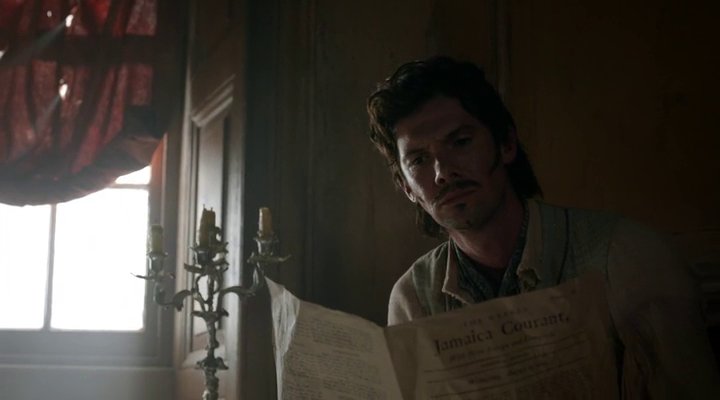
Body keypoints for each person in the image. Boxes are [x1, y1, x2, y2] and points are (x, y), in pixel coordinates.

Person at [366, 56, 719, 398]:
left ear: (506, 144)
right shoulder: (414, 298)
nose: (443, 172)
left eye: (460, 142)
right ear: (407, 188)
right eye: (419, 160)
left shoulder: (626, 256)